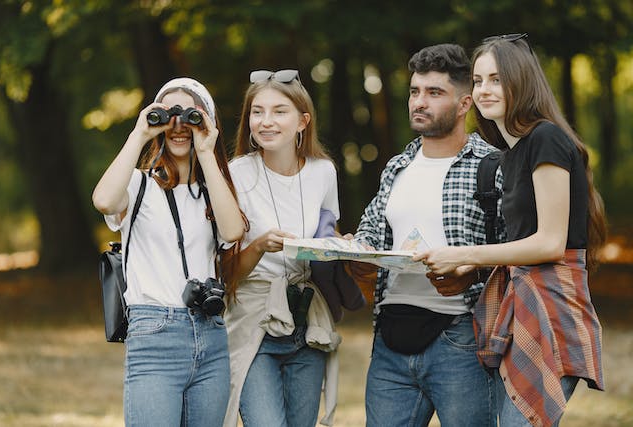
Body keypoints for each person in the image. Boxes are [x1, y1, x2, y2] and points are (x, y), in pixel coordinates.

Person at [417, 33, 607, 427]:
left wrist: (465, 254)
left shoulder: (546, 139)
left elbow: (551, 243)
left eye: (497, 79)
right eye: (479, 80)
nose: (484, 90)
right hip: (520, 304)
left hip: (551, 307)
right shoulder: (513, 153)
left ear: (521, 81)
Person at [353, 44, 504, 426]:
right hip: (390, 337)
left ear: (465, 103)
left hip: (461, 338)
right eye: (415, 91)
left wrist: (472, 269)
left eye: (434, 93)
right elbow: (371, 228)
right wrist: (357, 252)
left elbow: (516, 251)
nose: (419, 102)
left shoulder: (492, 168)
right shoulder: (397, 166)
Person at [92, 77, 246, 427]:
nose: (179, 125)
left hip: (210, 333)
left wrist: (206, 152)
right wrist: (140, 134)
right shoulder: (138, 184)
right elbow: (103, 200)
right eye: (167, 113)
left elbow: (233, 231)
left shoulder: (213, 190)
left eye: (190, 115)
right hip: (154, 333)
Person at [222, 69, 341, 427]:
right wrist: (260, 245)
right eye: (257, 112)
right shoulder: (235, 174)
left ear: (303, 121)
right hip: (254, 321)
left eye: (279, 111)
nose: (265, 121)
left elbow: (327, 233)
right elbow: (224, 272)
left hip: (308, 323)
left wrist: (341, 244)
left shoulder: (324, 171)